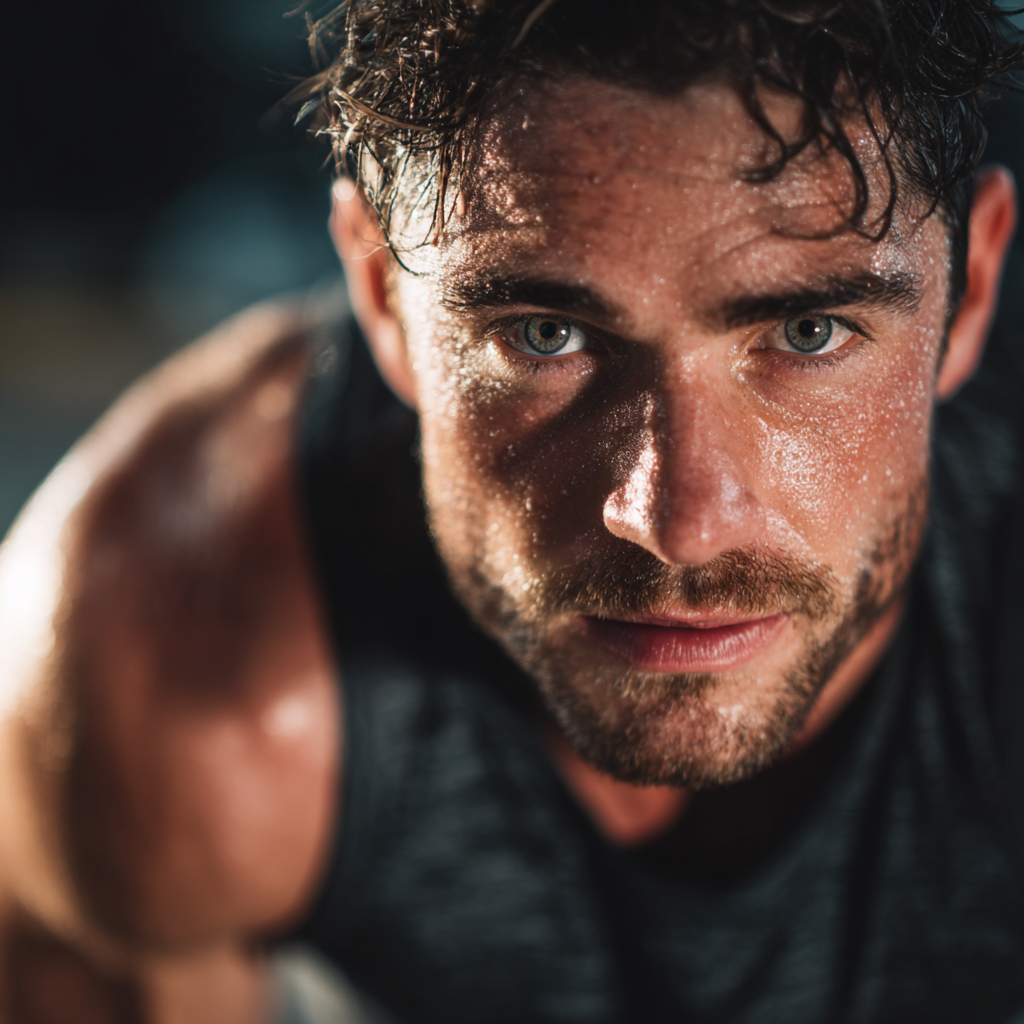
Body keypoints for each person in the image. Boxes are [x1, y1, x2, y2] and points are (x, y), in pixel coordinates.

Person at [2, 0, 1024, 1020]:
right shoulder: (167, 683)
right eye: (544, 334)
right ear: (380, 294)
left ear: (970, 288)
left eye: (808, 332)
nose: (677, 523)